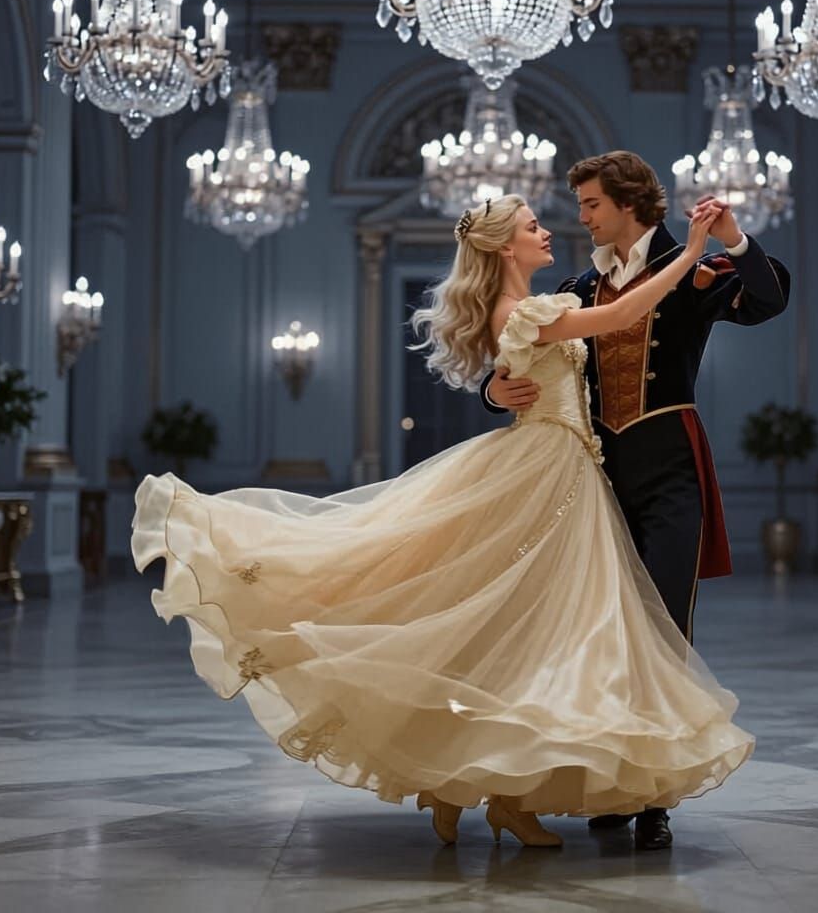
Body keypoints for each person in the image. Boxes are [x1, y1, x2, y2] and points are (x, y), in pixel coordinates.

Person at [131, 193, 753, 852]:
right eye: (532, 227)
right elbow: (626, 313)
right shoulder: (529, 310)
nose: (548, 232)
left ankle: (477, 790)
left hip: (565, 468)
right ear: (504, 249)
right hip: (546, 474)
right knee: (530, 632)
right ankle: (486, 789)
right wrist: (689, 252)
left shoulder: (529, 308)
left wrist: (494, 387)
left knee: (514, 633)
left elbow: (571, 361)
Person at [482, 152, 790, 848]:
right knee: (603, 637)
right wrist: (492, 393)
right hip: (595, 478)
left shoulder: (695, 266)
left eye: (591, 204)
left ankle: (655, 800)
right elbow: (523, 357)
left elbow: (768, 301)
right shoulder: (579, 286)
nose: (583, 216)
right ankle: (614, 783)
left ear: (627, 204)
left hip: (672, 469)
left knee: (662, 633)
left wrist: (736, 239)